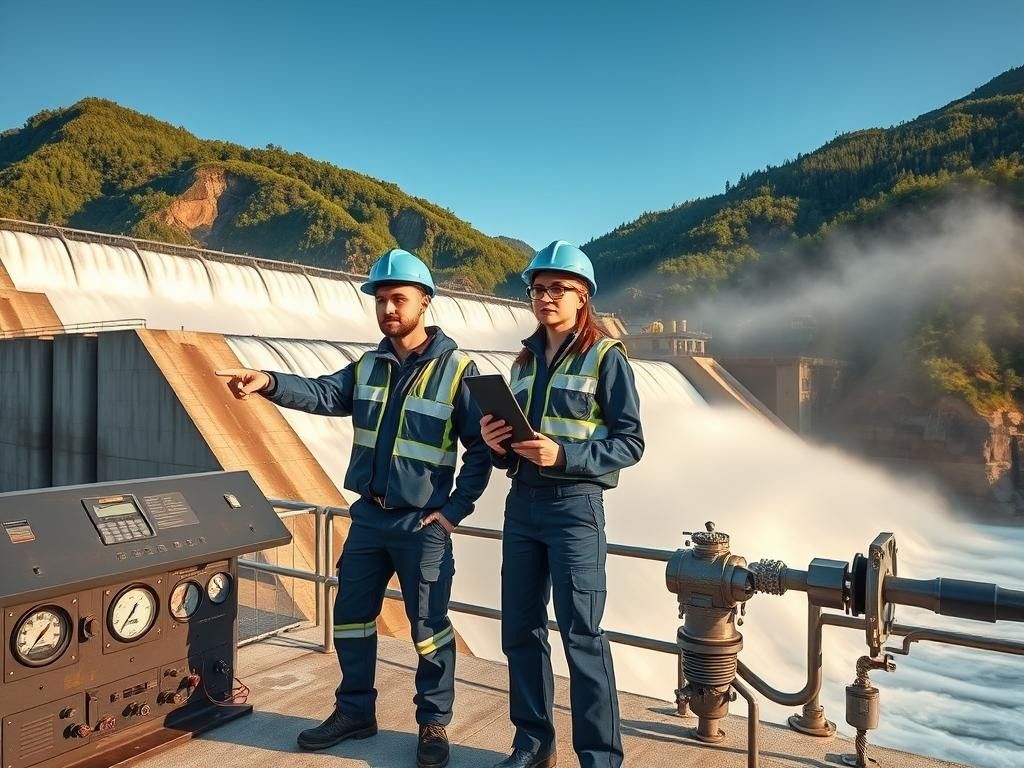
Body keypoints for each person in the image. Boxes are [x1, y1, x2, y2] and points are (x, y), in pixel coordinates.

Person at [216, 248, 490, 768]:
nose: (388, 308)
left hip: (422, 521)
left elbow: (481, 447)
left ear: (424, 302)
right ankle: (355, 712)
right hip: (369, 517)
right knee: (351, 617)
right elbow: (323, 394)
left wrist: (456, 509)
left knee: (428, 627)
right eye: (381, 300)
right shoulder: (369, 365)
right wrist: (269, 381)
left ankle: (433, 723)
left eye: (398, 299)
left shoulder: (459, 370)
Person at [480, 241, 644, 768]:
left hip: (575, 507)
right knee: (520, 630)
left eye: (558, 288)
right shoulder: (524, 362)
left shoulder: (606, 357)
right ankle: (532, 744)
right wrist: (496, 440)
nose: (545, 297)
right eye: (538, 288)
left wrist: (565, 454)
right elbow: (517, 441)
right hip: (522, 503)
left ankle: (599, 758)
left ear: (583, 297)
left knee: (582, 636)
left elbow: (630, 442)